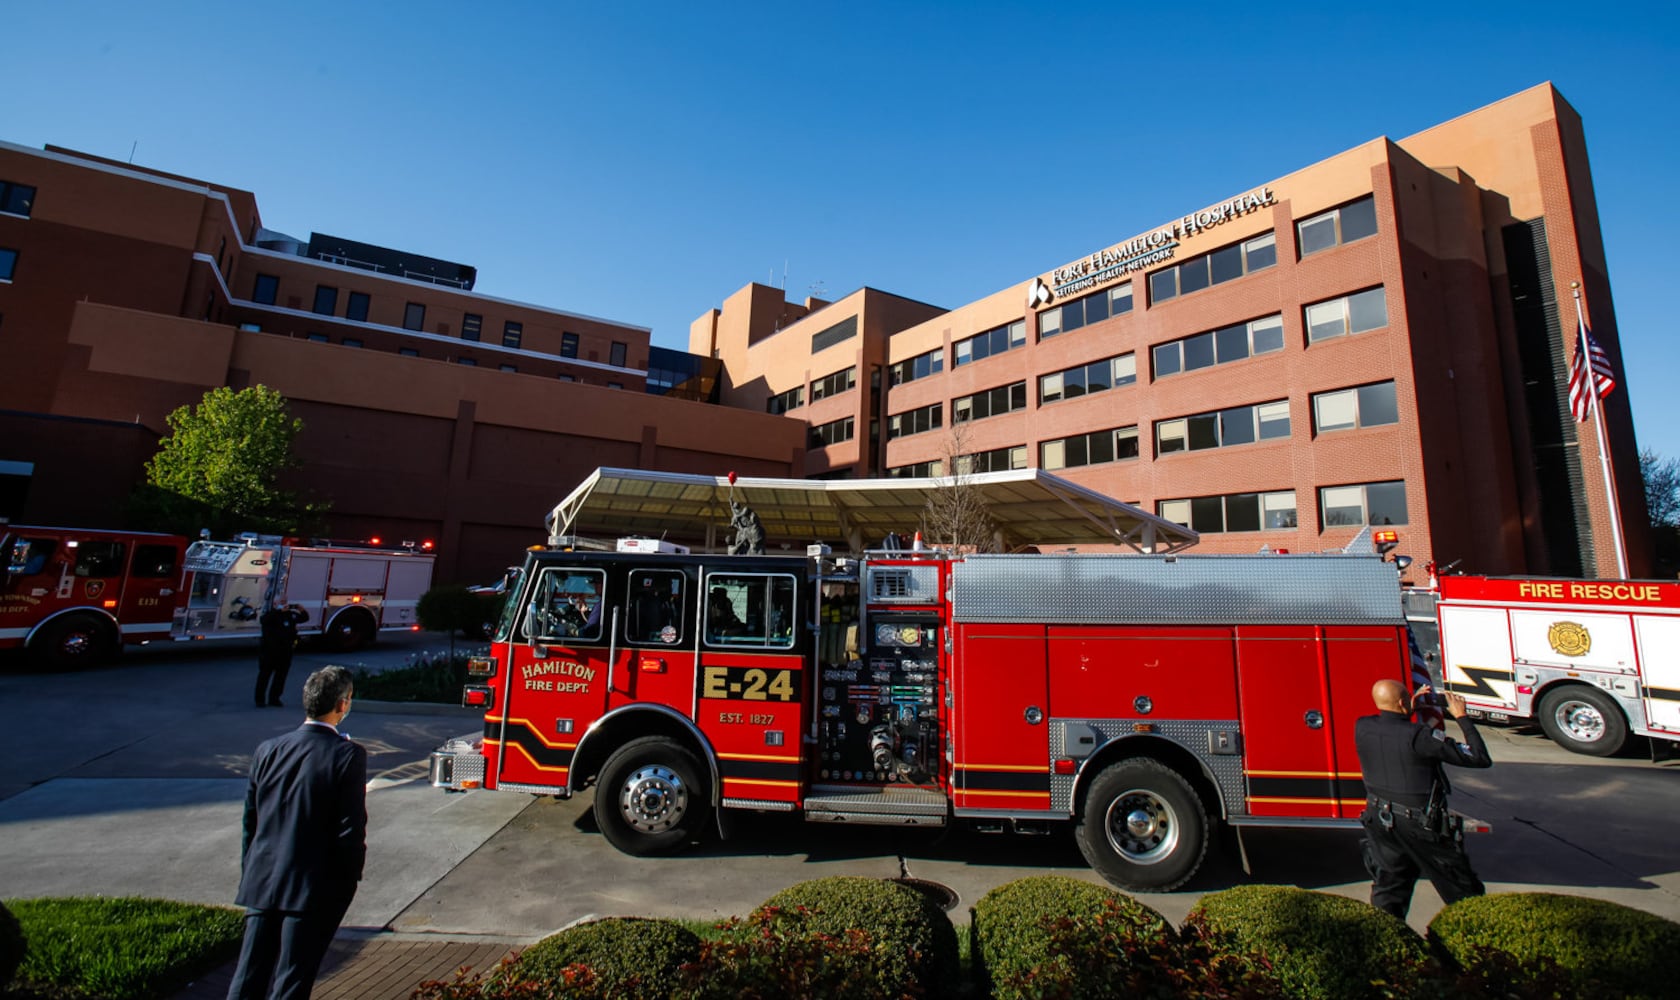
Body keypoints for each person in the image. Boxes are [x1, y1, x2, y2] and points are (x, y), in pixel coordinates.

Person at [227, 666, 367, 1000]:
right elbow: (350, 829)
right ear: (342, 705)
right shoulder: (347, 755)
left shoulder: (268, 749)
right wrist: (348, 882)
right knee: (293, 979)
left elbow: (251, 821)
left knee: (247, 975)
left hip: (262, 879)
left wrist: (252, 869)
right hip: (311, 887)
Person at [1354, 679, 1492, 920]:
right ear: (1401, 702)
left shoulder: (1363, 727)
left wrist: (1410, 706)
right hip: (1420, 825)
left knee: (1390, 891)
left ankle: (1388, 946)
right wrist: (1461, 717)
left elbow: (1393, 727)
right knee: (1462, 889)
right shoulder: (1421, 736)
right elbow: (1479, 757)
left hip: (1380, 820)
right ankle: (1474, 942)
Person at [256, 603, 309, 707]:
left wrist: (301, 610)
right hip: (269, 652)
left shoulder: (290, 615)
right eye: (281, 602)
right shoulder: (270, 616)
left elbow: (304, 618)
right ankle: (260, 700)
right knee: (264, 676)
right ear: (275, 604)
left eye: (285, 602)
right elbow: (264, 621)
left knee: (281, 676)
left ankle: (274, 699)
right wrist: (277, 610)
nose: (284, 605)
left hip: (285, 651)